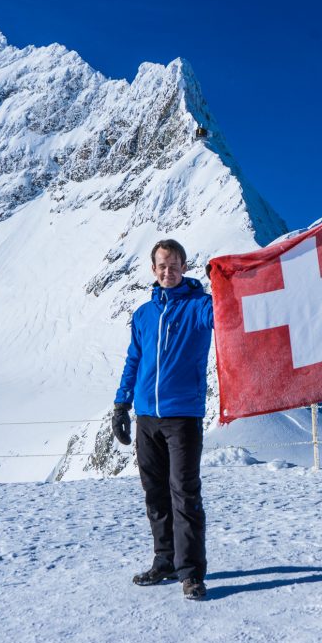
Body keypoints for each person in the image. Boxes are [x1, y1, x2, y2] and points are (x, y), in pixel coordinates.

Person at [111, 239, 214, 601]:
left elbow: (229, 315)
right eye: (161, 266)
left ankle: (191, 573)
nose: (167, 272)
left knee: (184, 494)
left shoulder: (201, 307)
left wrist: (229, 283)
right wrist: (121, 404)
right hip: (147, 418)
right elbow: (133, 360)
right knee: (155, 494)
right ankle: (164, 561)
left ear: (184, 267)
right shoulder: (143, 315)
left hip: (183, 416)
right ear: (153, 270)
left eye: (173, 265)